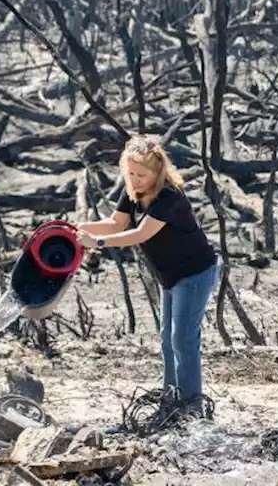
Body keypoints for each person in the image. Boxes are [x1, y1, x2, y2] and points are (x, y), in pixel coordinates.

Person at [75, 135, 220, 419]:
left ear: (158, 172)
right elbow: (116, 223)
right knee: (167, 339)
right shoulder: (133, 193)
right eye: (130, 174)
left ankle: (193, 408)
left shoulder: (169, 196)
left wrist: (98, 244)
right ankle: (171, 402)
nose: (136, 179)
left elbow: (141, 234)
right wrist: (77, 228)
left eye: (142, 174)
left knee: (183, 339)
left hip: (195, 273)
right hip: (169, 275)